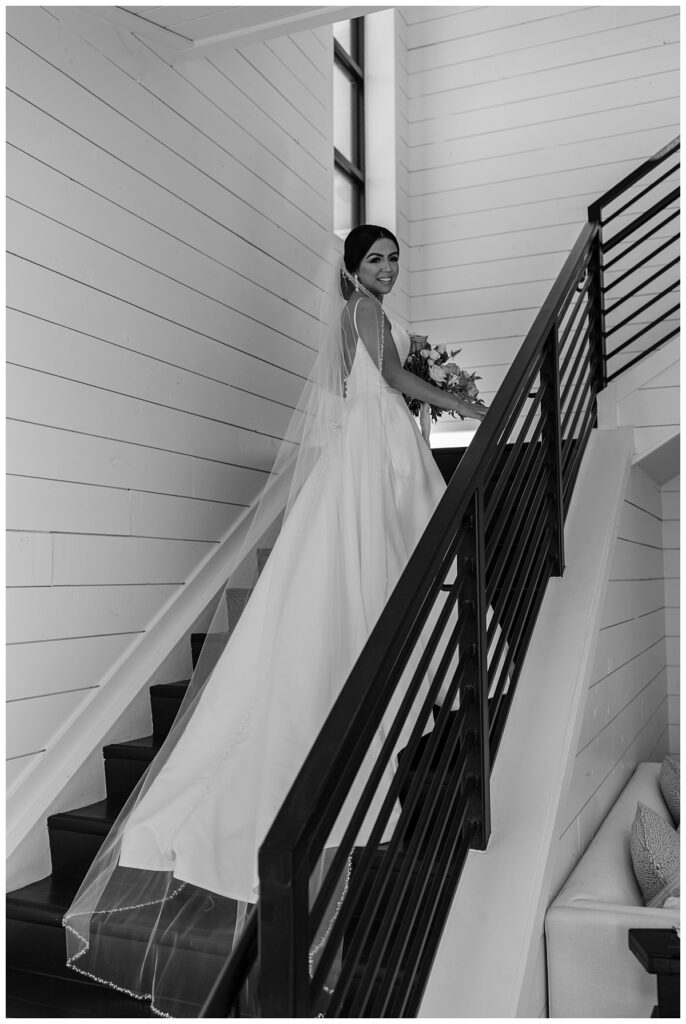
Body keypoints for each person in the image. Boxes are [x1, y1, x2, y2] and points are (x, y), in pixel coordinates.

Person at [63, 225, 488, 1017]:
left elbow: (381, 379)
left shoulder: (363, 312)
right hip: (378, 443)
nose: (387, 270)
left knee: (396, 544)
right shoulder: (364, 311)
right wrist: (456, 398)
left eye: (394, 259)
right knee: (387, 547)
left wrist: (421, 392)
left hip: (378, 440)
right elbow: (390, 375)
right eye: (375, 260)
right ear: (353, 270)